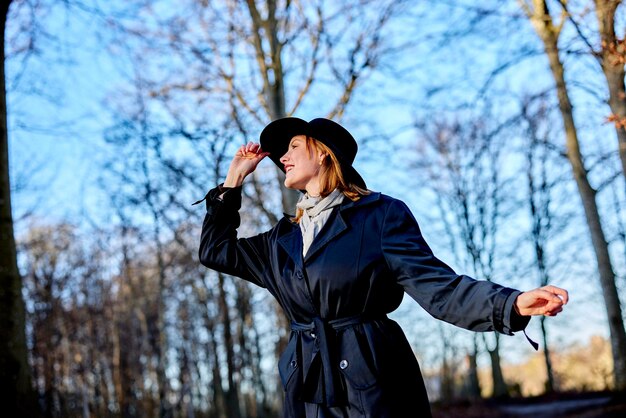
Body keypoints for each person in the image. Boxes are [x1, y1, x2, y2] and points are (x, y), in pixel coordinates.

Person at [197, 117, 568, 418]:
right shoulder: (280, 241)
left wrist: (511, 303)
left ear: (325, 153)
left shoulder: (379, 216)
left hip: (372, 381)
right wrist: (233, 181)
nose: (283, 157)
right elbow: (215, 251)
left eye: (294, 146)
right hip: (306, 388)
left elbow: (438, 287)